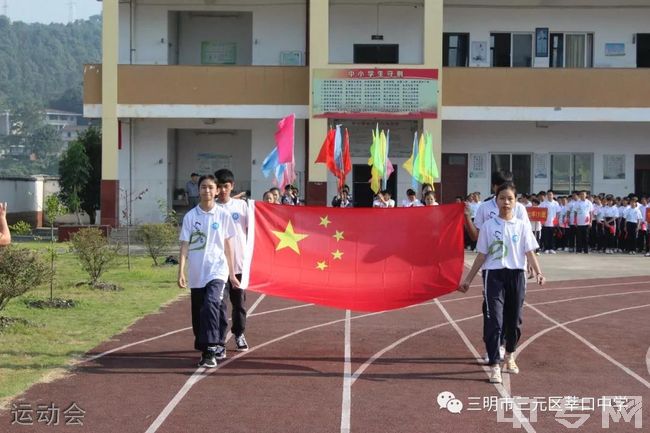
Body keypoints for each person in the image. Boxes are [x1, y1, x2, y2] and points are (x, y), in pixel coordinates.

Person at [458, 182, 545, 384]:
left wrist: (539, 272)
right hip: (494, 276)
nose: (506, 202)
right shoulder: (489, 226)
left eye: (510, 199)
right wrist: (468, 280)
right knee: (494, 320)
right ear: (495, 201)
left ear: (516, 202)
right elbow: (481, 255)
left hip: (516, 275)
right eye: (502, 198)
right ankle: (495, 364)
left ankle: (510, 355)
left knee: (513, 321)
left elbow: (529, 251)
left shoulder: (523, 226)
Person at [178, 174, 240, 368]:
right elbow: (185, 245)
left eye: (211, 187)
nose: (207, 191)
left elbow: (229, 244)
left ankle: (211, 349)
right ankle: (209, 342)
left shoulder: (223, 215)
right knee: (199, 313)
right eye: (204, 187)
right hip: (197, 273)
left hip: (217, 270)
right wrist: (181, 271)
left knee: (212, 303)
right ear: (199, 190)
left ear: (217, 190)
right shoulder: (191, 216)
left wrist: (231, 273)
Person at [215, 169, 250, 352]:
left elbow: (254, 228)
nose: (222, 191)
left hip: (239, 264)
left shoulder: (242, 206)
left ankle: (239, 334)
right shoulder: (212, 208)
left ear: (232, 186)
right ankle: (219, 341)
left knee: (240, 304)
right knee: (220, 305)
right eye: (219, 187)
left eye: (225, 187)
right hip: (219, 267)